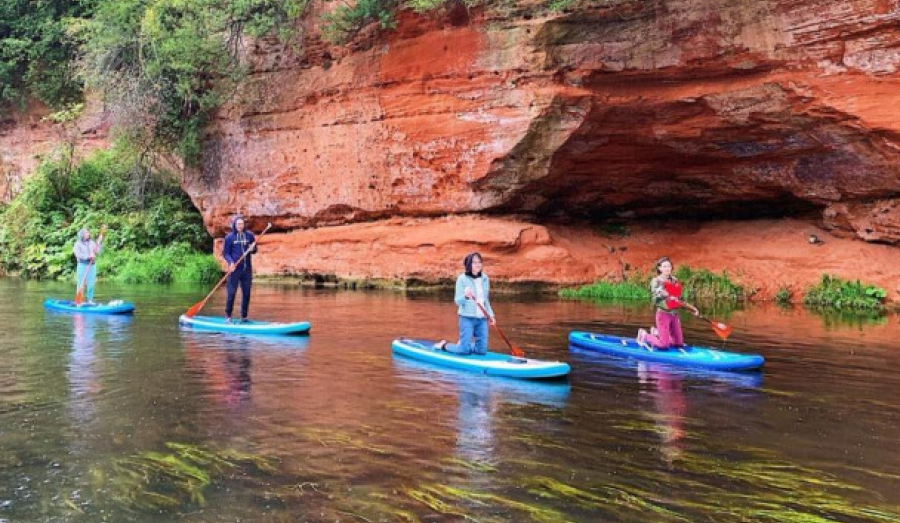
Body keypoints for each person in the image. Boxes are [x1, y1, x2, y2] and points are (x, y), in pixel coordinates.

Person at [435, 253, 496, 355]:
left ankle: (464, 344)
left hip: (482, 319)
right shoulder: (462, 279)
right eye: (474, 263)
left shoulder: (485, 279)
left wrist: (491, 316)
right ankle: (444, 345)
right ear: (468, 264)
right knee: (463, 351)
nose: (478, 265)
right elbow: (457, 301)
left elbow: (486, 300)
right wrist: (466, 296)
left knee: (481, 351)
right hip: (467, 318)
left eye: (479, 262)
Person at [637, 256, 698, 349]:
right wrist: (667, 296)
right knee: (664, 345)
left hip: (674, 314)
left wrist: (692, 309)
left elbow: (679, 300)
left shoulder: (674, 280)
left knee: (678, 344)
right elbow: (655, 299)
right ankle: (644, 335)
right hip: (663, 314)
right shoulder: (656, 281)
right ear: (659, 268)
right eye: (664, 266)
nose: (667, 268)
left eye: (669, 266)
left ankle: (657, 333)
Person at [222, 216, 258, 323]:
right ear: (234, 225)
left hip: (247, 270)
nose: (240, 226)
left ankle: (244, 317)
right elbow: (226, 253)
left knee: (246, 293)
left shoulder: (249, 235)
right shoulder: (229, 237)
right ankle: (228, 316)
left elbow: (255, 250)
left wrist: (253, 248)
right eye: (238, 224)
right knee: (231, 293)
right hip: (234, 269)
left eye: (242, 224)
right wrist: (231, 262)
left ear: (244, 225)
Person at [73, 228, 103, 304]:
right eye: (86, 233)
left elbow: (98, 251)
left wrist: (99, 243)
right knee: (81, 284)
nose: (88, 234)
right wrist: (88, 256)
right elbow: (77, 254)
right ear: (82, 235)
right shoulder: (77, 244)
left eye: (88, 233)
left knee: (91, 284)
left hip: (92, 266)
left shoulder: (92, 242)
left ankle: (90, 300)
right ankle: (79, 301)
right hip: (82, 265)